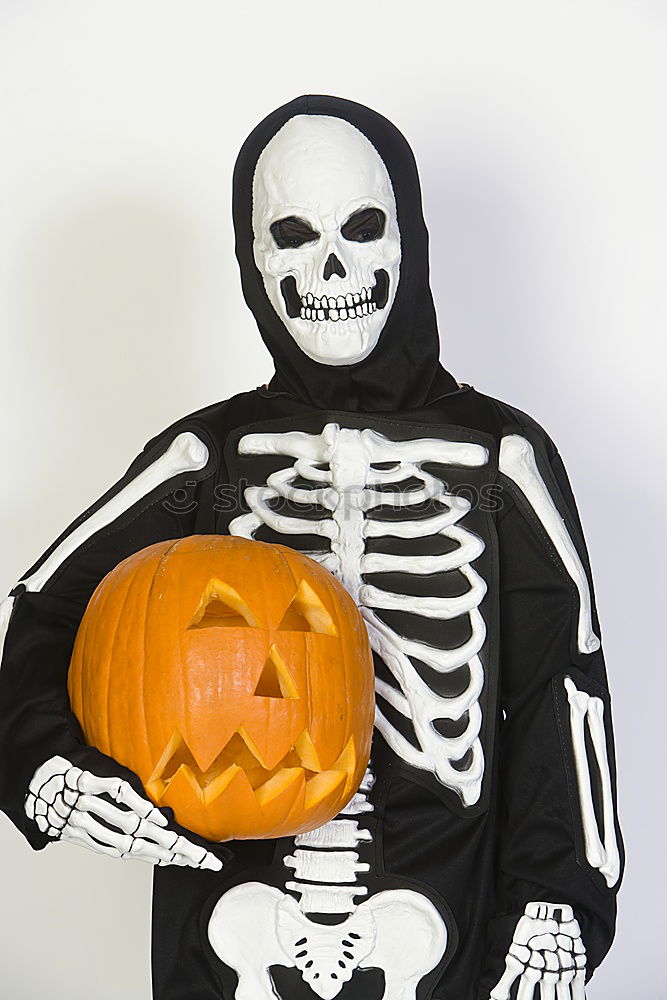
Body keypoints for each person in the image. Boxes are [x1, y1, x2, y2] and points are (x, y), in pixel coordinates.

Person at [0, 94, 622, 1000]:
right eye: (291, 236)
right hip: (227, 899)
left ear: (405, 240)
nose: (330, 264)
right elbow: (51, 601)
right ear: (253, 261)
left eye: (360, 228)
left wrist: (558, 896)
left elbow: (562, 685)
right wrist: (49, 768)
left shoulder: (498, 458)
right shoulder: (209, 457)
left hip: (449, 905)